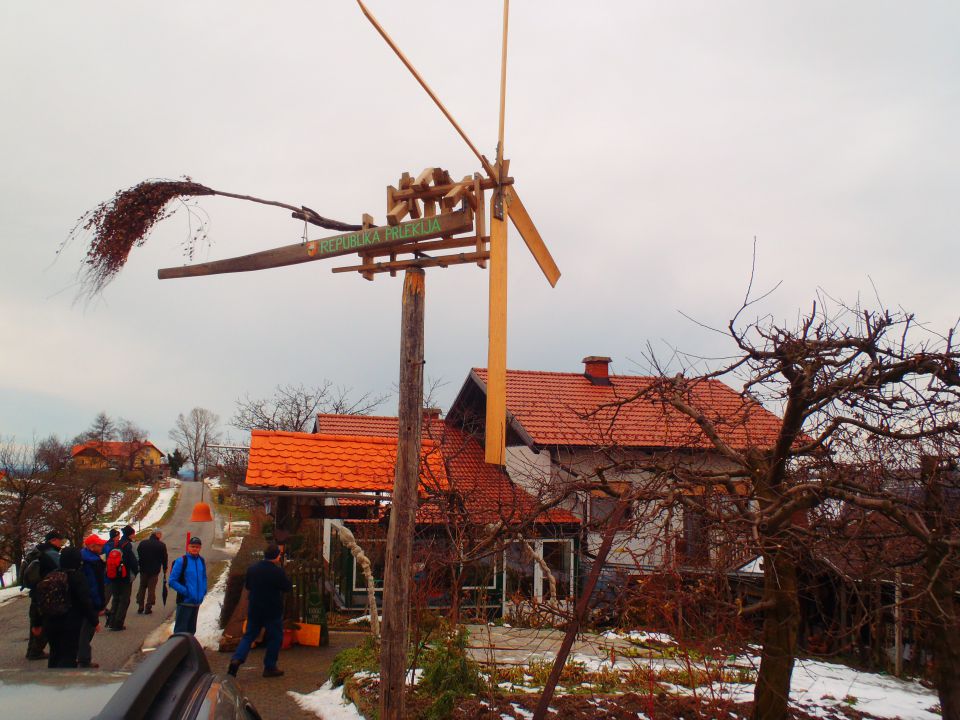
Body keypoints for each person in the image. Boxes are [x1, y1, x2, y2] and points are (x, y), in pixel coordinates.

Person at [228, 544, 292, 678]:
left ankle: (237, 659)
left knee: (249, 636)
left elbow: (249, 586)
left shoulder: (253, 569)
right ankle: (270, 666)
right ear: (276, 556)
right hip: (272, 610)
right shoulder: (277, 572)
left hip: (255, 608)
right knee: (275, 637)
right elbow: (287, 587)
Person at [42, 546, 100, 668]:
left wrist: (37, 622)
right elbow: (85, 601)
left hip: (50, 621)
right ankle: (65, 683)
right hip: (70, 622)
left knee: (55, 653)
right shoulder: (77, 576)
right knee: (68, 655)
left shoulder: (52, 575)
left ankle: (50, 680)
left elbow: (40, 599)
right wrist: (94, 620)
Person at [23, 530, 64, 660]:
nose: (61, 543)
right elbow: (61, 568)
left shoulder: (37, 551)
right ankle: (36, 651)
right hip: (45, 592)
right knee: (45, 622)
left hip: (35, 591)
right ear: (53, 540)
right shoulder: (51, 553)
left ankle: (31, 650)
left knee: (36, 622)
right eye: (59, 540)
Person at [78, 534, 107, 668]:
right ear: (92, 546)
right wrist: (100, 604)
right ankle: (84, 660)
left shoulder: (83, 557)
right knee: (86, 631)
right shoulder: (92, 562)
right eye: (99, 545)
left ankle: (81, 657)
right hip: (90, 601)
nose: (102, 546)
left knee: (83, 630)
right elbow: (95, 585)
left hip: (83, 600)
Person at [169, 536, 207, 634]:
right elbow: (172, 581)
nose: (195, 549)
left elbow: (203, 577)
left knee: (191, 631)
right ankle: (178, 649)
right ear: (188, 547)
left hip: (196, 602)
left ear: (200, 548)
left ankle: (188, 649)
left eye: (197, 547)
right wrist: (187, 592)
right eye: (193, 546)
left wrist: (203, 591)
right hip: (185, 602)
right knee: (180, 631)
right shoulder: (181, 561)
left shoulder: (201, 561)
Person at [106, 525, 139, 630]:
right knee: (124, 600)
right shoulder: (128, 545)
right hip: (125, 577)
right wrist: (134, 573)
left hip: (113, 576)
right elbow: (134, 562)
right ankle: (118, 623)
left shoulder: (114, 544)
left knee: (115, 599)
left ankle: (110, 621)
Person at [136, 529, 168, 615]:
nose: (161, 535)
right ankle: (148, 606)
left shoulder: (143, 543)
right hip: (154, 570)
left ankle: (140, 605)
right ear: (157, 534)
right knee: (151, 588)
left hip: (143, 569)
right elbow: (164, 558)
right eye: (160, 534)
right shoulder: (161, 545)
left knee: (142, 587)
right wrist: (165, 568)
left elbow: (138, 554)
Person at [100, 528, 120, 622]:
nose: (118, 538)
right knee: (109, 590)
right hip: (110, 571)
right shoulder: (112, 546)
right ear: (115, 537)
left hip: (105, 570)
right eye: (117, 536)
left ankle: (102, 606)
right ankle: (102, 608)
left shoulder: (105, 545)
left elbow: (102, 557)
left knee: (106, 589)